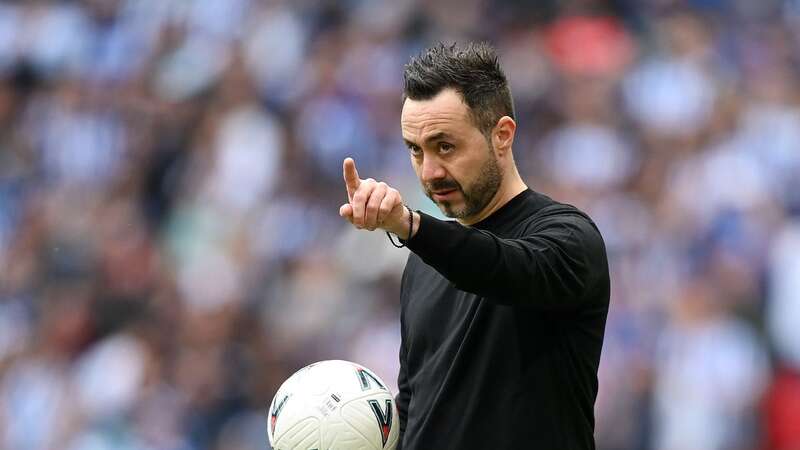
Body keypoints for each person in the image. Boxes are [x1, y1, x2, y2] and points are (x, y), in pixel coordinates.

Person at [339, 42, 610, 450]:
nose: (429, 171)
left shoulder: (569, 239)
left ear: (501, 135)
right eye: (416, 149)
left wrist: (411, 226)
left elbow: (502, 267)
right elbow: (418, 412)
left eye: (445, 146)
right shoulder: (422, 265)